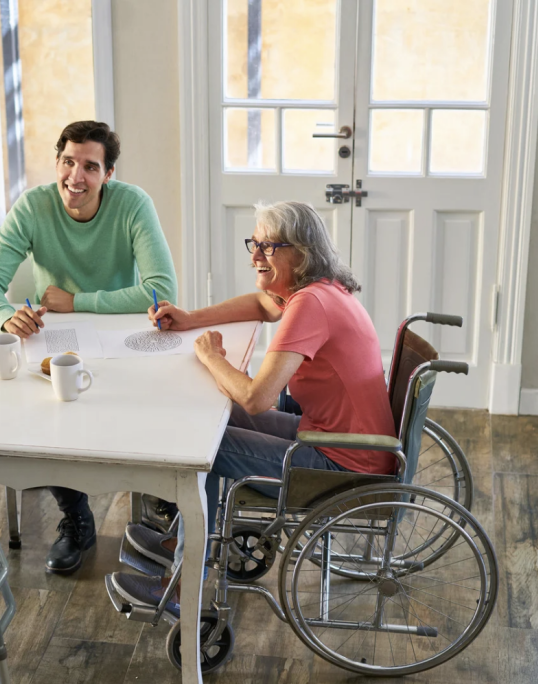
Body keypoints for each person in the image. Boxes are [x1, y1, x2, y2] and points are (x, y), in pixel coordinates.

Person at [110, 200, 397, 611]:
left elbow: (257, 399)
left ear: (301, 252)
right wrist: (191, 319)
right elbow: (262, 304)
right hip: (345, 442)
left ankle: (182, 585)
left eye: (268, 247)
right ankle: (187, 539)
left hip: (343, 467)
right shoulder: (323, 289)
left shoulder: (310, 305)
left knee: (202, 447)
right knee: (214, 419)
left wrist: (212, 357)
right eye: (254, 244)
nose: (255, 256)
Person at [0, 120, 178, 575]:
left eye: (89, 166)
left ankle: (161, 512)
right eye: (68, 162)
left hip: (123, 338)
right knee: (49, 415)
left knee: (150, 403)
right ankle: (76, 517)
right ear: (57, 162)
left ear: (109, 174)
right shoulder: (33, 207)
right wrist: (5, 315)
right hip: (61, 342)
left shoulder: (132, 204)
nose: (75, 176)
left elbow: (162, 289)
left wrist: (77, 300)